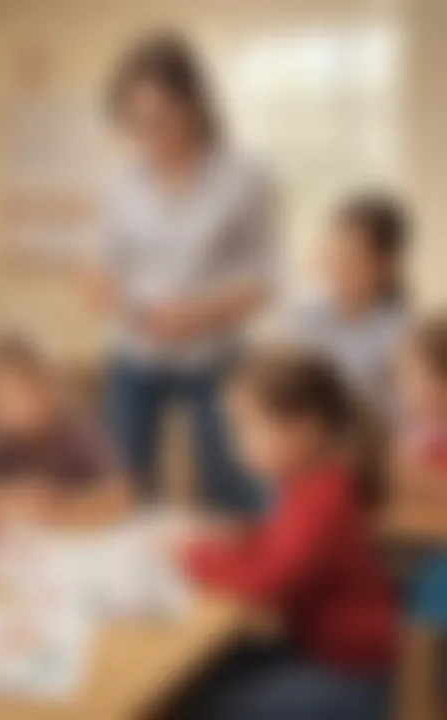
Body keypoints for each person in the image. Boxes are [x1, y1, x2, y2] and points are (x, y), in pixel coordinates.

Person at [88, 32, 278, 510]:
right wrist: (107, 291)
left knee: (231, 488)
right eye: (136, 123)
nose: (149, 135)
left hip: (216, 357)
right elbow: (100, 266)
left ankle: (238, 576)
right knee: (124, 487)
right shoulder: (120, 182)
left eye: (161, 119)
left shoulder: (246, 176)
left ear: (194, 105)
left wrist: (202, 315)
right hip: (135, 354)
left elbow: (265, 279)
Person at [176, 346, 397, 720]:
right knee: (195, 677)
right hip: (323, 651)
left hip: (357, 675)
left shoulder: (326, 497)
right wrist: (246, 536)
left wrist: (189, 557)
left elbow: (268, 582)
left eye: (246, 427)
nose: (236, 444)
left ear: (307, 430)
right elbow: (288, 546)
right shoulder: (306, 483)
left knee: (196, 703)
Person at [0, 337, 133, 527]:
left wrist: (60, 506)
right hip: (13, 545)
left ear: (45, 389)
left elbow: (120, 495)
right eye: (0, 396)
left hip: (72, 540)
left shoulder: (73, 432)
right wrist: (9, 497)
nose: (12, 405)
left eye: (20, 390)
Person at [286, 192, 409, 403]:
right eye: (333, 252)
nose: (337, 266)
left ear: (385, 266)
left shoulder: (401, 332)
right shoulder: (302, 320)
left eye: (351, 257)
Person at [391, 316, 447, 720]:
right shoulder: (418, 428)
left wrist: (418, 477)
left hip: (438, 555)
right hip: (416, 545)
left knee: (434, 586)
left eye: (411, 377)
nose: (402, 389)